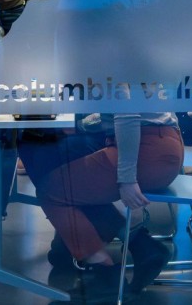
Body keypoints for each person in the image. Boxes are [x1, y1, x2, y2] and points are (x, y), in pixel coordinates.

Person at [37, 113, 182, 300]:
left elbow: (126, 114)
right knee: (72, 167)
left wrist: (127, 179)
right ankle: (142, 246)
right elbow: (109, 114)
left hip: (145, 149)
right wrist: (82, 125)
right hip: (163, 144)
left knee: (51, 191)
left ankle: (104, 273)